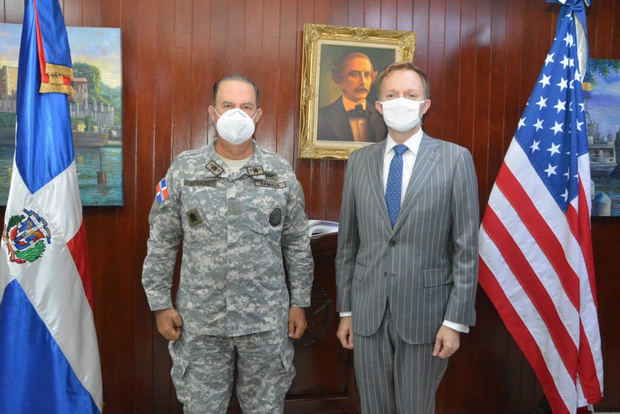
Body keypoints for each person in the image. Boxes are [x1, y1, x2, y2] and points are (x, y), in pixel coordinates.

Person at [141, 74, 314, 414]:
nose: (237, 113)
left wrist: (300, 302)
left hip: (266, 322)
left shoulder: (280, 173)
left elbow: (296, 244)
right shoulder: (184, 169)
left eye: (245, 106)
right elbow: (161, 241)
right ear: (212, 112)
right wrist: (160, 304)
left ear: (258, 115)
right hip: (201, 322)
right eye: (228, 106)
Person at [335, 62, 479, 414]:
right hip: (367, 315)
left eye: (411, 95)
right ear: (379, 106)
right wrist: (346, 310)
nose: (402, 101)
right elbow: (348, 247)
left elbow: (466, 250)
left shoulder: (455, 159)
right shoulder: (359, 162)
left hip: (427, 316)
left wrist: (455, 321)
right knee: (374, 407)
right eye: (392, 95)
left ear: (425, 104)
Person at [317, 52, 387, 142]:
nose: (363, 82)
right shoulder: (321, 117)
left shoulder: (383, 117)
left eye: (367, 75)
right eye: (355, 75)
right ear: (340, 79)